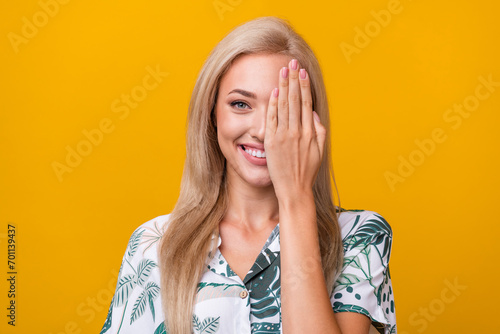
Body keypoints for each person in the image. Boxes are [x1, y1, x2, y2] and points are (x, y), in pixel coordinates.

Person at [100, 16, 396, 334]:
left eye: (283, 109)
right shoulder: (154, 244)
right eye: (241, 104)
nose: (262, 131)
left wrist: (295, 198)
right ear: (212, 115)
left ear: (312, 122)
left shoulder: (359, 236)